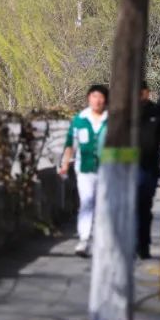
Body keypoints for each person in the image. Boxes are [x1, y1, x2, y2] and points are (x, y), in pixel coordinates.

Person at [60, 84, 109, 257]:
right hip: (85, 168)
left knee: (103, 205)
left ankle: (102, 240)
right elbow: (70, 144)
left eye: (101, 97)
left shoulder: (110, 120)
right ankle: (84, 238)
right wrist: (65, 164)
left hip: (106, 170)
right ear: (89, 98)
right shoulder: (79, 120)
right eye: (94, 96)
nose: (97, 100)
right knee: (86, 202)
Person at [136, 81, 160, 259]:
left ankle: (143, 245)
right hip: (128, 167)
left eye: (143, 91)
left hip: (149, 167)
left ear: (148, 92)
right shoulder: (125, 112)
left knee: (145, 207)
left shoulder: (157, 112)